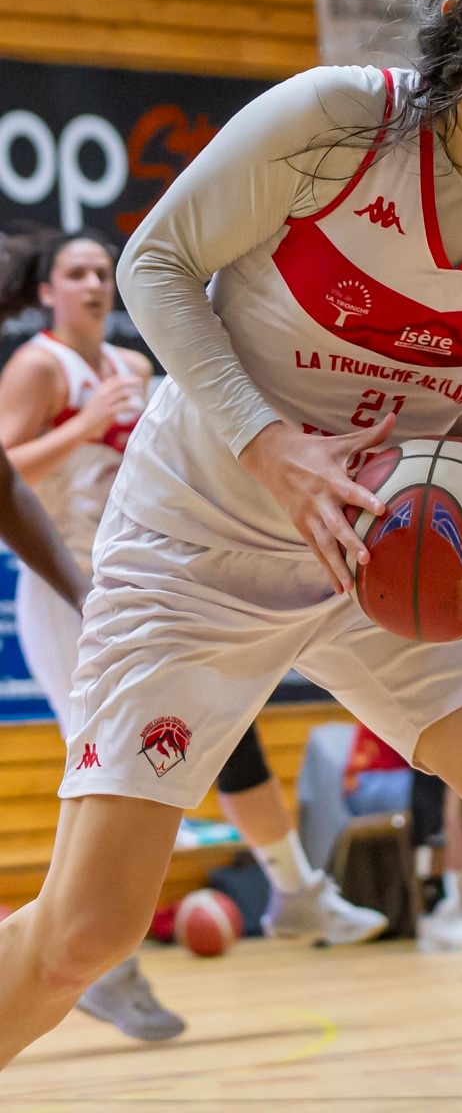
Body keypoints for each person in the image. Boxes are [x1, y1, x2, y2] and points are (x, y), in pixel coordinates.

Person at [0, 0, 462, 1113]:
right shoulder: (334, 121)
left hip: (393, 540)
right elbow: (156, 260)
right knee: (86, 933)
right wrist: (266, 441)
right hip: (202, 534)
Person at [0, 228, 389, 1041]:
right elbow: (8, 467)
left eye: (102, 272)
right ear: (47, 294)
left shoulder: (136, 369)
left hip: (146, 576)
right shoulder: (40, 367)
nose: (95, 285)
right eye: (75, 274)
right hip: (66, 585)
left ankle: (288, 893)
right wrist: (83, 427)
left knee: (207, 742)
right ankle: (107, 962)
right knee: (107, 773)